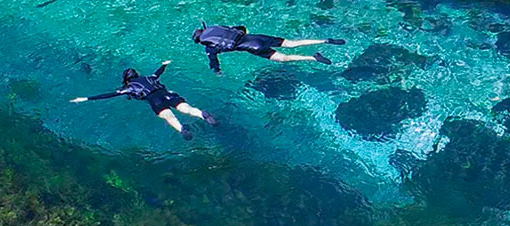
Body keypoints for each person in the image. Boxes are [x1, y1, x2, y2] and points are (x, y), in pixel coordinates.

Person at [70, 61, 216, 140]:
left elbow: (108, 95)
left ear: (127, 79)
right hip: (167, 94)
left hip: (155, 100)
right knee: (188, 109)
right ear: (137, 73)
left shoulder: (128, 88)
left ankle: (181, 129)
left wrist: (85, 98)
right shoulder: (149, 78)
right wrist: (164, 64)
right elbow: (158, 73)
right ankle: (202, 114)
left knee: (169, 116)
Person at [192, 23, 345, 75]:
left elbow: (213, 61)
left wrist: (217, 72)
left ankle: (314, 57)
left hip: (254, 47)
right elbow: (242, 28)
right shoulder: (217, 28)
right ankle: (325, 40)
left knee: (283, 58)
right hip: (259, 37)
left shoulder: (209, 46)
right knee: (292, 43)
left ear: (200, 40)